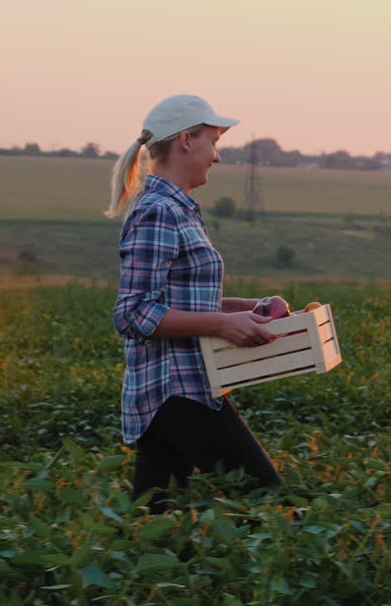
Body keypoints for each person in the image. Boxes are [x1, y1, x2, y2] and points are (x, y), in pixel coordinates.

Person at [106, 93, 288, 512]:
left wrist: (246, 308)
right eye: (214, 141)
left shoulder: (178, 210)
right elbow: (133, 313)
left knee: (156, 530)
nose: (217, 157)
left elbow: (184, 299)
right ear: (187, 140)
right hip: (177, 390)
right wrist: (223, 326)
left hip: (177, 391)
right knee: (272, 507)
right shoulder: (158, 212)